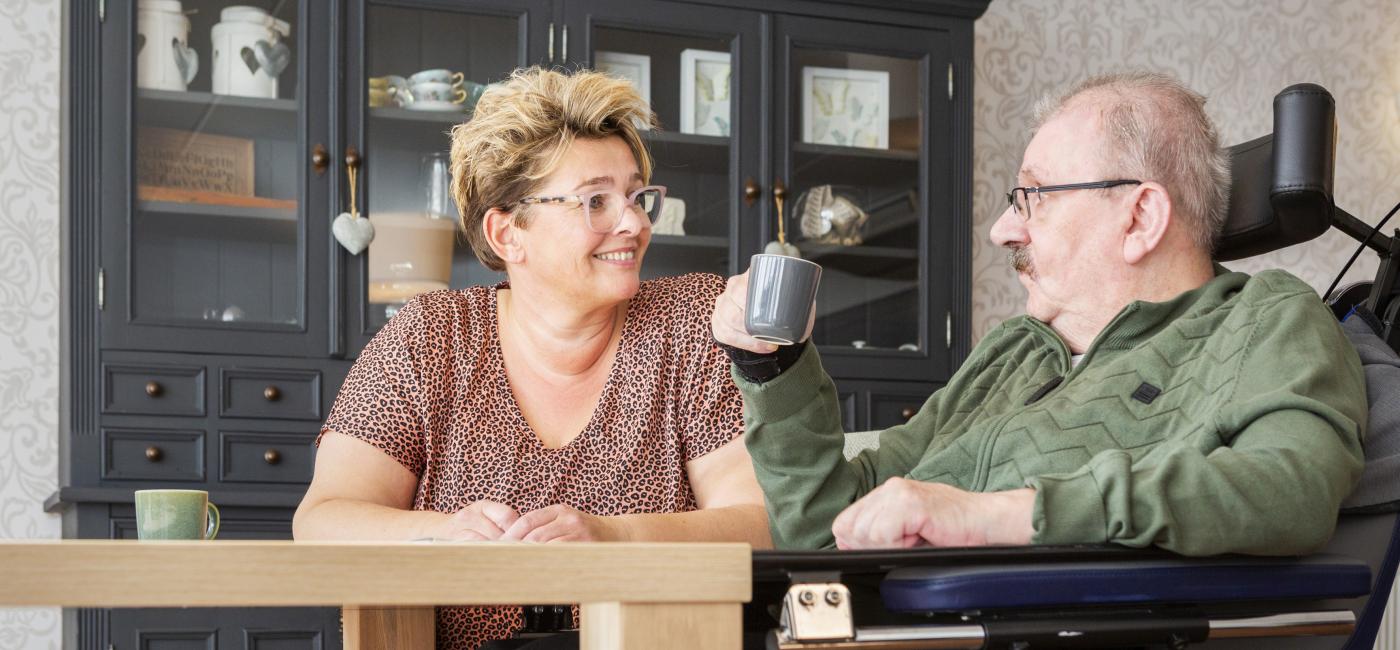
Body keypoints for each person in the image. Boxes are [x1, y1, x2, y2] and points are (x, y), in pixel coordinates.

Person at [712, 71, 1367, 556]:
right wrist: (776, 366)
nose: (1003, 230)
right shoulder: (1013, 354)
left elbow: (1292, 487)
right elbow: (825, 532)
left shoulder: (1265, 319)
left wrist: (1001, 515)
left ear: (1140, 216)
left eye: (1032, 197)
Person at [294, 67, 770, 649]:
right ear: (507, 234)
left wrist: (612, 540)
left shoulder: (692, 322)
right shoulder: (431, 337)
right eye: (596, 200)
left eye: (637, 196)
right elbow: (322, 521)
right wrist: (445, 534)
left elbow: (759, 524)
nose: (636, 222)